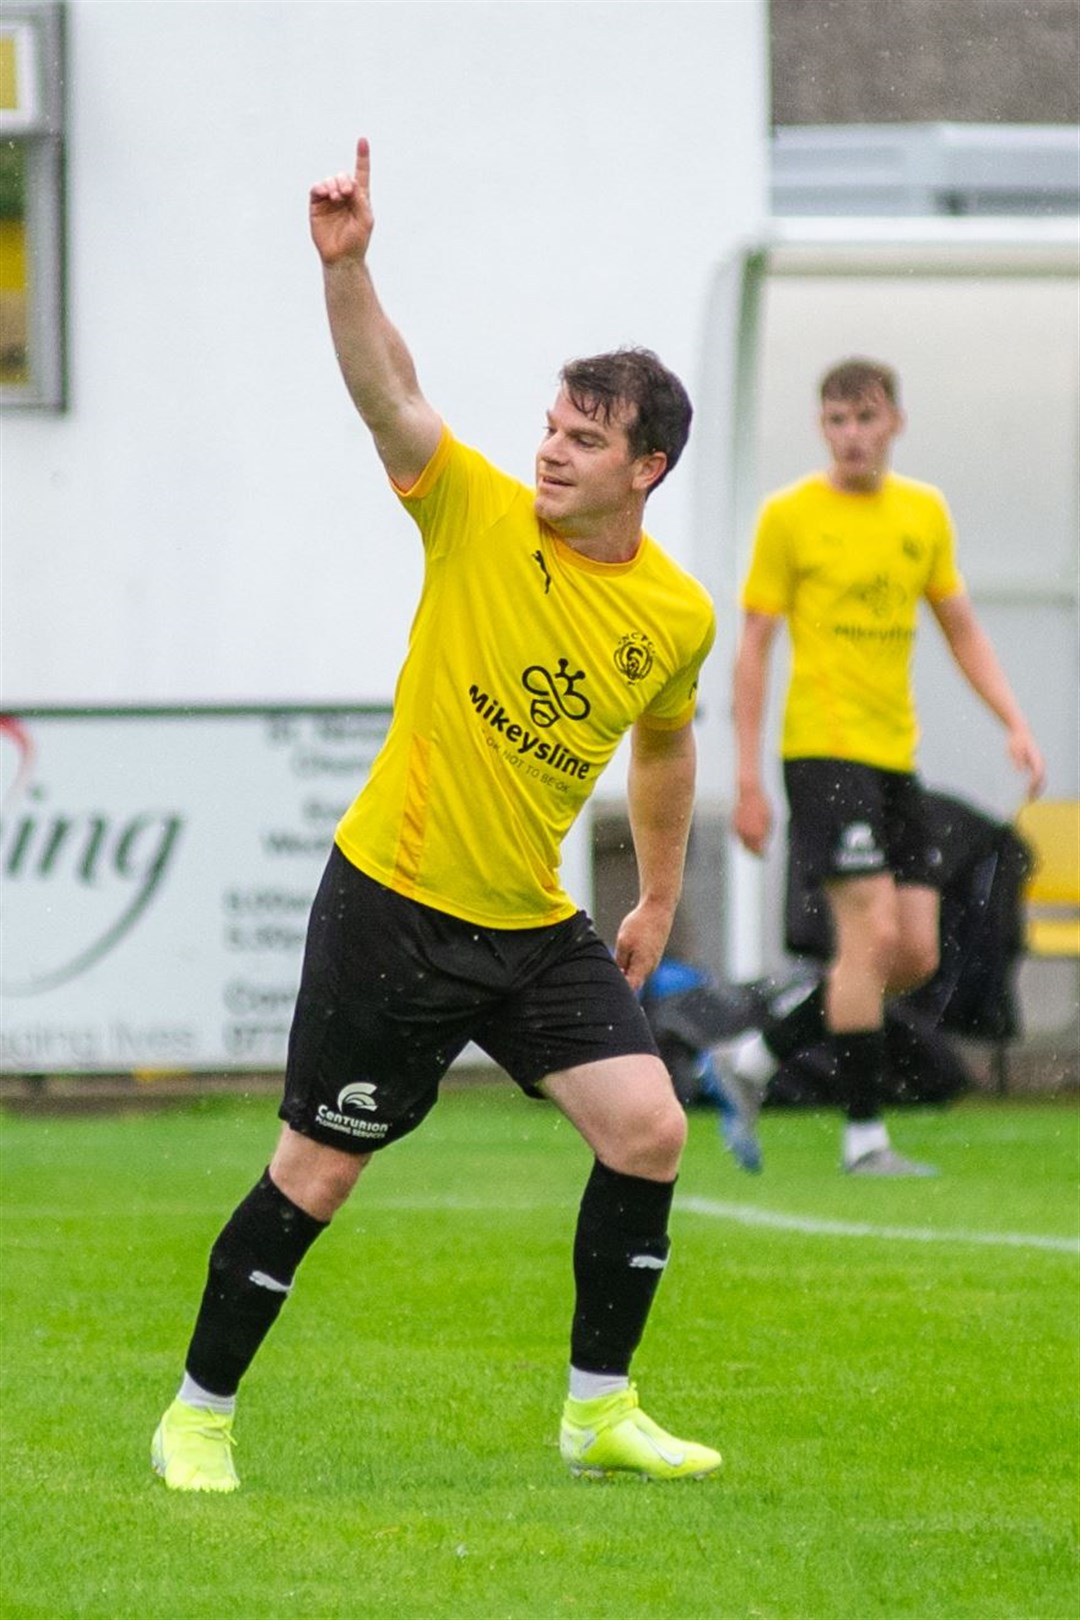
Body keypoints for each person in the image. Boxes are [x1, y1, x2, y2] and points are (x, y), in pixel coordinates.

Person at [151, 138, 721, 1492]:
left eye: (585, 440)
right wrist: (348, 269)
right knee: (317, 1173)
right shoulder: (473, 511)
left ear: (645, 468)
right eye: (551, 427)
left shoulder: (675, 615)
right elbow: (388, 394)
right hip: (392, 908)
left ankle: (597, 1409)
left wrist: (653, 896)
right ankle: (197, 1416)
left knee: (649, 1127)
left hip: (532, 925)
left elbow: (666, 744)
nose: (550, 451)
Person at [722, 357, 1044, 1176]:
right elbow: (752, 650)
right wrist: (749, 778)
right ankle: (865, 1139)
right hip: (823, 753)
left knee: (914, 956)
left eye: (866, 419)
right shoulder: (789, 516)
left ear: (894, 422)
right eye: (836, 421)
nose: (852, 436)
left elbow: (960, 624)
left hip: (895, 757)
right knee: (866, 938)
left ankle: (758, 1055)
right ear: (821, 427)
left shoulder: (922, 513)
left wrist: (1012, 720)